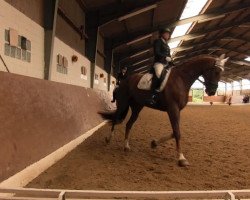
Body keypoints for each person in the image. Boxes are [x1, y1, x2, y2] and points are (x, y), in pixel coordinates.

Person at [148, 27, 174, 104]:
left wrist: (171, 61)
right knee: (159, 75)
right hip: (159, 63)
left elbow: (169, 55)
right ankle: (152, 95)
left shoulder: (167, 45)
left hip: (166, 64)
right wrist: (165, 57)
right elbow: (157, 52)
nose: (167, 35)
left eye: (168, 34)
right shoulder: (158, 41)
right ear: (162, 34)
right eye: (166, 33)